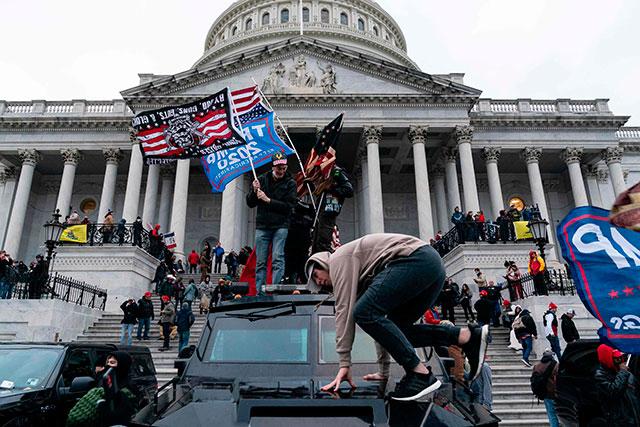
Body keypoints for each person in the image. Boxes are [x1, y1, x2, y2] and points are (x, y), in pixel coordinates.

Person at [305, 233, 489, 401]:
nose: (318, 282)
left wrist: (344, 363)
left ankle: (420, 374)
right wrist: (384, 371)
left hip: (416, 260)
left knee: (363, 312)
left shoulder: (338, 259)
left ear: (322, 263)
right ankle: (465, 336)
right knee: (396, 329)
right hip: (431, 267)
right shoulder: (360, 274)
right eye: (316, 284)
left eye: (316, 275)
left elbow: (344, 312)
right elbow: (382, 329)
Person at [246, 152, 297, 294]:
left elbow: (289, 207)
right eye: (278, 168)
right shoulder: (262, 180)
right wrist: (254, 191)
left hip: (281, 226)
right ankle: (260, 292)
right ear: (273, 167)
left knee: (277, 258)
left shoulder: (290, 183)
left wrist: (268, 200)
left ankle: (275, 290)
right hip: (263, 226)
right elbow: (250, 203)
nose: (281, 171)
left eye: (283, 168)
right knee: (261, 262)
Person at [66, 351, 137, 427]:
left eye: (112, 362)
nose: (108, 365)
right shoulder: (102, 381)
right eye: (107, 362)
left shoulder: (127, 391)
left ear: (122, 365)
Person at [311, 165, 354, 253]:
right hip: (320, 214)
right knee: (316, 243)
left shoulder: (336, 172)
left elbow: (349, 190)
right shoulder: (322, 175)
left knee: (323, 244)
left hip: (329, 213)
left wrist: (331, 189)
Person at [594, 344, 640, 426]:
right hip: (619, 421)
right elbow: (614, 391)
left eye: (621, 358)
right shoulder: (600, 376)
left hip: (633, 419)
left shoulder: (626, 374)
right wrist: (622, 372)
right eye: (617, 359)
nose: (620, 361)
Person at [531, 350, 560, 427]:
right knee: (560, 414)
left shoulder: (537, 366)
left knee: (551, 414)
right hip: (555, 393)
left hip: (545, 393)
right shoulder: (555, 365)